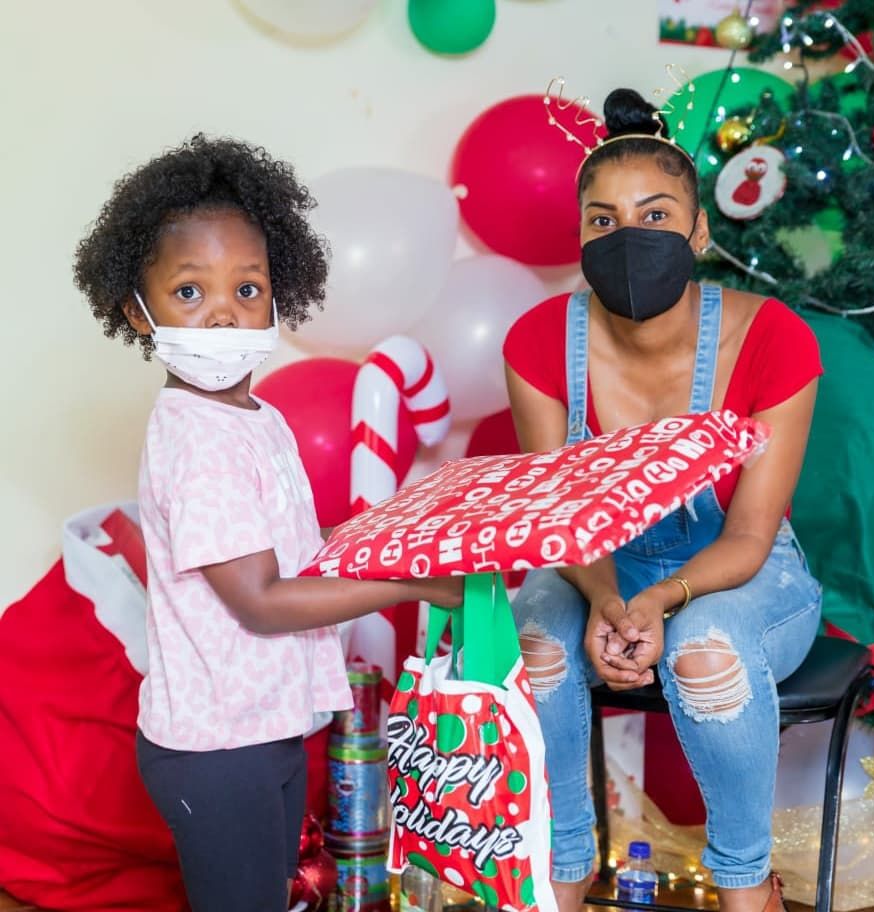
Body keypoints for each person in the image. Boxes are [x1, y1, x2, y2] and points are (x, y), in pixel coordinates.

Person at [73, 135, 463, 912]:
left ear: (279, 292)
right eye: (190, 291)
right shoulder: (199, 439)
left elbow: (298, 554)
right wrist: (407, 584)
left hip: (268, 725)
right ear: (137, 311)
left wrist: (404, 537)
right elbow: (260, 599)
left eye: (247, 287)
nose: (223, 311)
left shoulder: (257, 417)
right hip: (218, 749)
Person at [503, 89, 823, 912]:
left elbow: (749, 536)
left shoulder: (773, 338)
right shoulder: (538, 342)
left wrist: (659, 601)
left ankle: (747, 886)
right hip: (593, 563)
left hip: (742, 575)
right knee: (533, 635)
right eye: (603, 221)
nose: (628, 237)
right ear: (581, 237)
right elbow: (559, 520)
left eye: (655, 215)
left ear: (699, 230)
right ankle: (562, 866)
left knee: (704, 647)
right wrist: (611, 598)